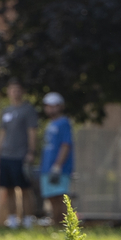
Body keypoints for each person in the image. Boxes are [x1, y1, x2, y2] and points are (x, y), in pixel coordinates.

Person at [0, 82, 39, 228]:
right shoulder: (6, 111)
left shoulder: (28, 110)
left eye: (18, 90)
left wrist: (31, 151)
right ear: (8, 92)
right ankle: (12, 221)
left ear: (22, 92)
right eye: (12, 90)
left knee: (25, 189)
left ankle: (28, 220)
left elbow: (32, 132)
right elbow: (2, 133)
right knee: (8, 189)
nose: (15, 93)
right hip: (6, 156)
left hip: (21, 156)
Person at [39, 92, 74, 226]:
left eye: (54, 106)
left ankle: (64, 225)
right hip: (46, 167)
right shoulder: (50, 124)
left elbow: (66, 145)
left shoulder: (64, 123)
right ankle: (56, 223)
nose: (51, 109)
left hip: (59, 168)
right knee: (51, 197)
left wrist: (58, 165)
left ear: (61, 106)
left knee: (61, 197)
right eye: (48, 106)